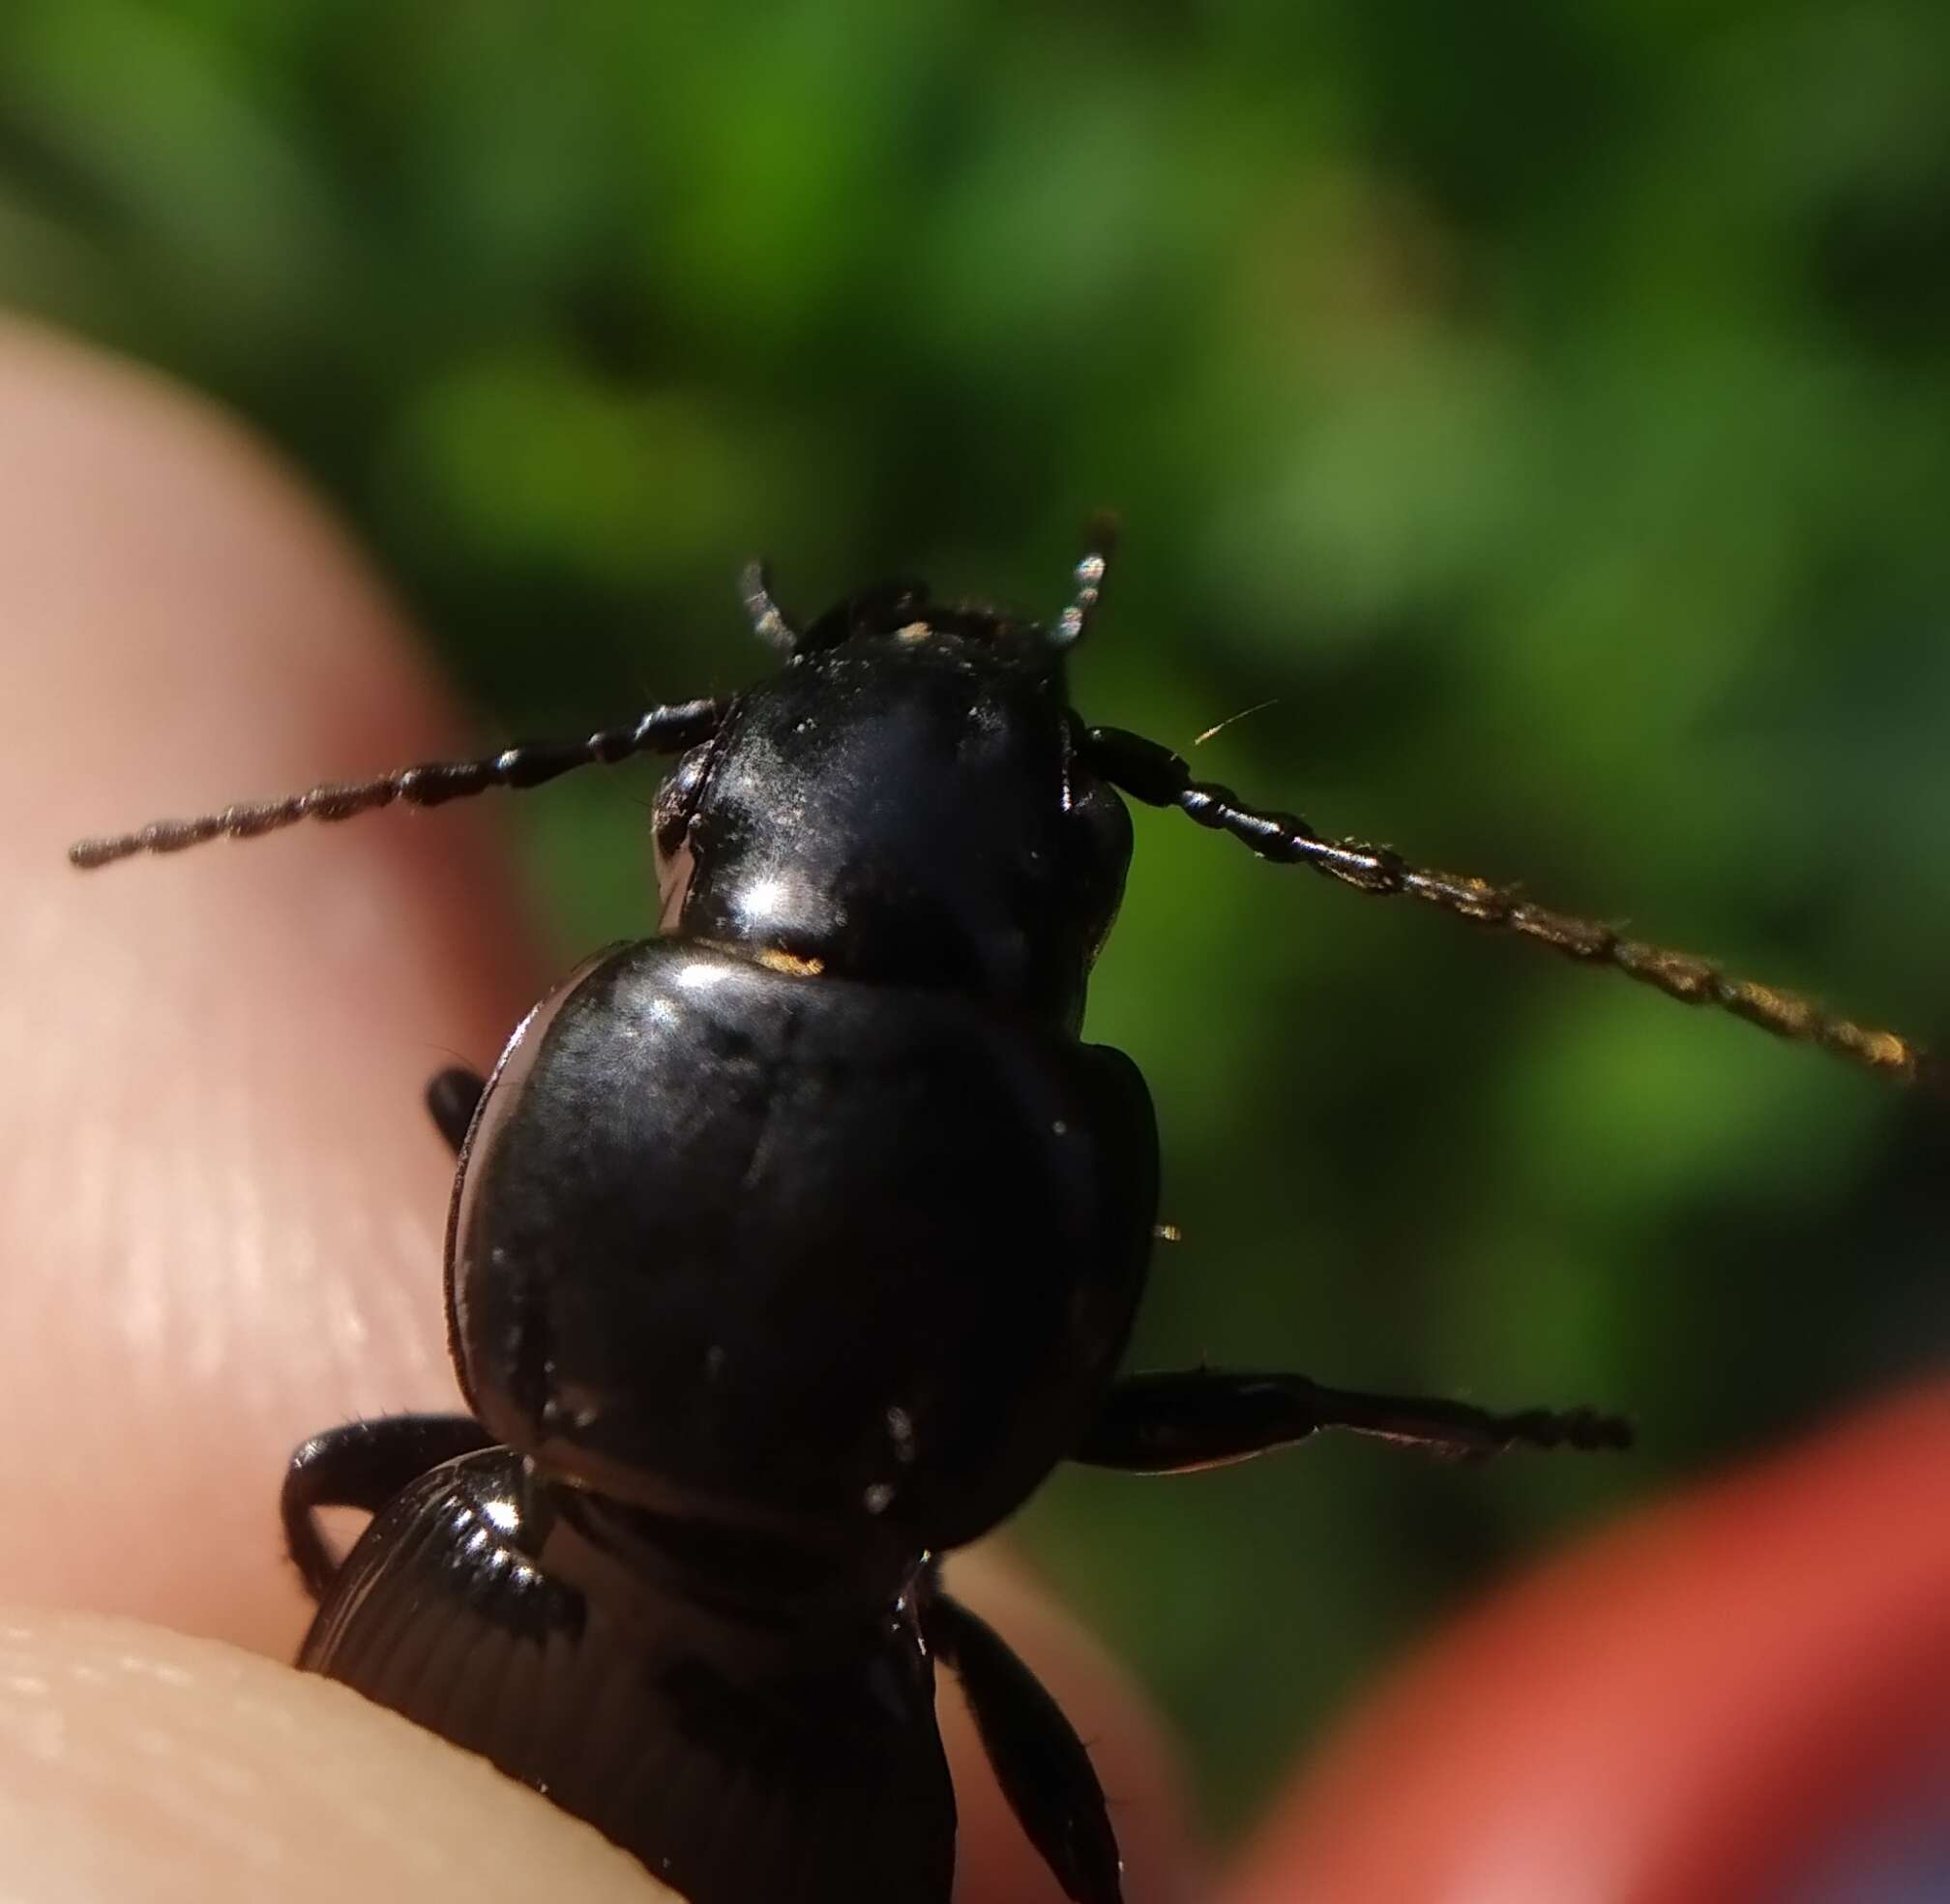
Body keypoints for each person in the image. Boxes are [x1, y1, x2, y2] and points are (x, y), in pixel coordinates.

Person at [2, 318, 1942, 1902]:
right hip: (811, 1760)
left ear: (697, 836)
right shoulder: (1024, 1142)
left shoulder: (588, 1075)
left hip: (474, 1611)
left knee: (311, 1462)